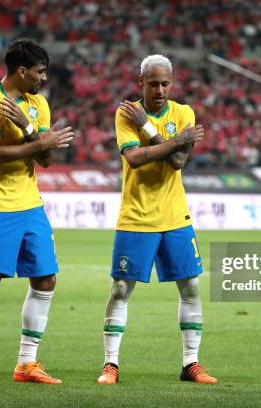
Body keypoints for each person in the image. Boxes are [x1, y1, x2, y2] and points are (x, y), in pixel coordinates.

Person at [96, 54, 216, 385]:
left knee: (190, 286)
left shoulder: (184, 113)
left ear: (171, 83)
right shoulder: (125, 113)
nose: (160, 89)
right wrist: (175, 139)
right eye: (153, 84)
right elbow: (134, 159)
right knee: (121, 288)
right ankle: (111, 364)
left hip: (175, 215)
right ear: (141, 83)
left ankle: (191, 363)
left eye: (165, 83)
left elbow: (178, 161)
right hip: (136, 215)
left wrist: (148, 128)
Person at [0, 38, 74, 386]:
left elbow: (45, 159)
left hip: (30, 204)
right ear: (21, 71)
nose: (43, 79)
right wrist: (37, 143)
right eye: (40, 72)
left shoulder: (38, 105)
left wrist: (30, 132)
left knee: (46, 278)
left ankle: (26, 364)